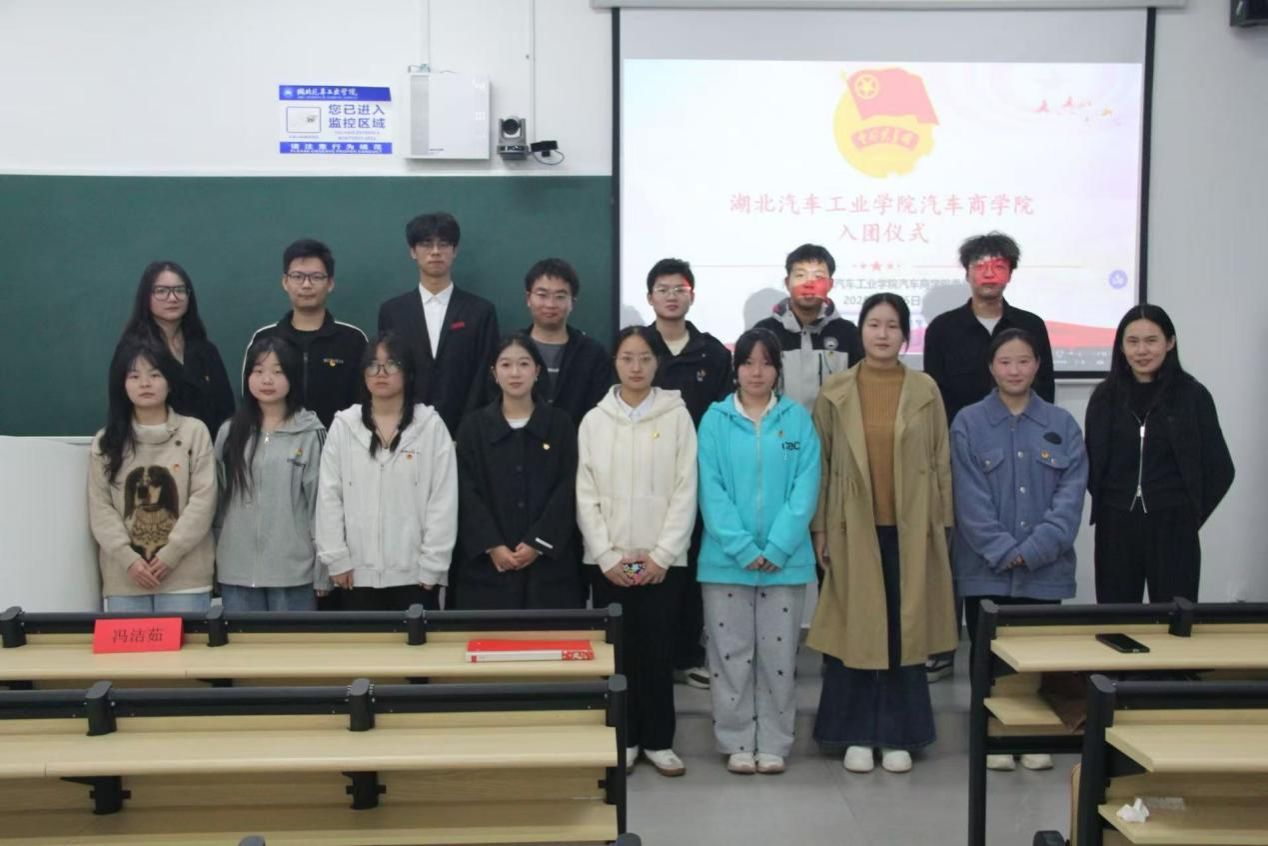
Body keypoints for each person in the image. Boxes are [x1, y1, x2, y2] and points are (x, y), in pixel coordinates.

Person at [808, 293, 957, 775]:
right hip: (851, 528)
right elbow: (820, 465)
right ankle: (853, 733)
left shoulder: (926, 389)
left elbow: (940, 460)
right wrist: (819, 527)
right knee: (855, 630)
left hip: (911, 529)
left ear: (906, 335)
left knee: (904, 632)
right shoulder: (835, 391)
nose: (882, 334)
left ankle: (899, 735)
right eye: (874, 324)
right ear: (861, 331)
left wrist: (943, 525)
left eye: (893, 326)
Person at [951, 328, 1087, 772]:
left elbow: (1071, 497)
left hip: (1045, 569)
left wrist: (1035, 549)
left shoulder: (1061, 424)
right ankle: (992, 731)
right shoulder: (968, 423)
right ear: (991, 367)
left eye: (1024, 361)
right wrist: (1003, 549)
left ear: (1037, 365)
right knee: (988, 654)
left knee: (1038, 653)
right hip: (985, 567)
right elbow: (968, 498)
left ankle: (1033, 734)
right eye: (1005, 362)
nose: (1015, 370)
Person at [921, 232, 1055, 683]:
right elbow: (934, 400)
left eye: (999, 265)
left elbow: (1047, 396)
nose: (990, 274)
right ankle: (943, 647)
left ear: (1010, 273)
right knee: (952, 557)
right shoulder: (943, 329)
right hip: (959, 462)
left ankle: (1013, 664)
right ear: (967, 273)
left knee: (1011, 549)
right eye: (981, 265)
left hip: (1021, 461)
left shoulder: (1031, 325)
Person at [696, 328, 821, 776]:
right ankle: (735, 741)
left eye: (766, 363)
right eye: (748, 363)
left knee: (779, 657)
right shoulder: (715, 420)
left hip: (785, 563)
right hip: (726, 562)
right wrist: (743, 547)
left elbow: (806, 486)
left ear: (777, 370)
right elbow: (710, 490)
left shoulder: (796, 421)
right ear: (736, 369)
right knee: (729, 656)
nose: (756, 372)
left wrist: (779, 545)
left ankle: (774, 742)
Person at [577, 326, 698, 777]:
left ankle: (660, 741)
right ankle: (625, 739)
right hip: (610, 563)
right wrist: (607, 557)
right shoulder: (595, 420)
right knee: (620, 655)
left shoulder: (676, 417)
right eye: (627, 358)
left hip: (661, 563)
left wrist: (662, 555)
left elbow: (686, 489)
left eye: (645, 358)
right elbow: (585, 493)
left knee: (658, 652)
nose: (636, 367)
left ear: (657, 363)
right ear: (615, 362)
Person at [1085, 305, 1234, 604]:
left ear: (1170, 342)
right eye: (1133, 341)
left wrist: (1189, 514)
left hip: (1174, 524)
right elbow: (1091, 463)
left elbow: (1220, 468)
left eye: (1151, 340)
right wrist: (1112, 501)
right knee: (1116, 617)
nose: (1142, 350)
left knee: (1173, 616)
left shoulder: (1193, 395)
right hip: (1116, 523)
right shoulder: (1105, 397)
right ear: (1121, 347)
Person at [315, 333, 458, 611]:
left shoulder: (430, 426)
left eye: (391, 364)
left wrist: (433, 565)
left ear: (408, 372)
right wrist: (336, 558)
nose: (381, 373)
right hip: (354, 575)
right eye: (373, 365)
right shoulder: (344, 426)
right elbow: (329, 497)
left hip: (416, 576)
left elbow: (443, 500)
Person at [643, 257, 732, 690]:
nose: (672, 296)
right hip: (646, 477)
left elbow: (724, 417)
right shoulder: (637, 348)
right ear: (650, 297)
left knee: (693, 564)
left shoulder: (712, 353)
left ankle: (688, 654)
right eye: (663, 289)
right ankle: (652, 656)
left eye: (680, 289)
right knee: (655, 562)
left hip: (699, 478)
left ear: (692, 296)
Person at [88, 337, 216, 613]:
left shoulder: (194, 432)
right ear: (122, 385)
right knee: (130, 646)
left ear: (170, 382)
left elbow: (204, 500)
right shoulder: (106, 441)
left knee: (187, 644)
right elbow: (100, 508)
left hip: (186, 579)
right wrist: (128, 559)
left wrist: (171, 553)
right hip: (125, 580)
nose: (145, 384)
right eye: (134, 376)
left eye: (155, 375)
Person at [455, 334, 580, 609]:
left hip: (550, 568)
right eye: (505, 364)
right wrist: (492, 544)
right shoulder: (473, 428)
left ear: (537, 371)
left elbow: (568, 487)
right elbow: (465, 492)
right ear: (494, 373)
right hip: (487, 569)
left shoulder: (560, 425)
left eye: (524, 364)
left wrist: (538, 542)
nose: (515, 373)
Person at [215, 337, 327, 612]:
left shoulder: (310, 433)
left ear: (293, 378)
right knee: (240, 642)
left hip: (292, 572)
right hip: (236, 571)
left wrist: (323, 571)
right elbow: (216, 501)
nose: (267, 380)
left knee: (291, 642)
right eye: (258, 370)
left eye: (278, 371)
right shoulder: (230, 432)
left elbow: (321, 507)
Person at [377, 212, 499, 436]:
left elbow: (485, 375)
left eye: (443, 244)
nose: (435, 251)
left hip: (467, 432)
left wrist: (468, 430)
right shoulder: (392, 312)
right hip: (404, 430)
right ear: (413, 251)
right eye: (426, 244)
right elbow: (387, 372)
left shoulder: (481, 312)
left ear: (455, 250)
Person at [242, 238, 368, 429]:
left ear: (330, 283)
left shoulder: (353, 340)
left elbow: (364, 403)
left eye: (316, 277)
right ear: (285, 282)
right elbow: (250, 402)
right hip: (278, 442)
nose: (306, 285)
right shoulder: (265, 338)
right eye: (297, 276)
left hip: (339, 444)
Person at [121, 260, 235, 440]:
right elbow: (121, 412)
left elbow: (226, 411)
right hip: (155, 450)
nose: (173, 298)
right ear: (146, 296)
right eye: (161, 291)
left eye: (180, 290)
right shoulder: (132, 351)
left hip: (206, 450)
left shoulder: (206, 350)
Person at [754, 243, 862, 412]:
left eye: (818, 276)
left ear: (830, 284)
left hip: (832, 428)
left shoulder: (848, 334)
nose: (809, 284)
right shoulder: (764, 332)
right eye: (800, 275)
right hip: (779, 427)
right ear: (787, 282)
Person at [520, 257, 613, 427]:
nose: (550, 304)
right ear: (528, 298)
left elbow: (599, 413)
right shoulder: (511, 349)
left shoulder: (593, 354)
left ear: (572, 303)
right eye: (542, 295)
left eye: (560, 296)